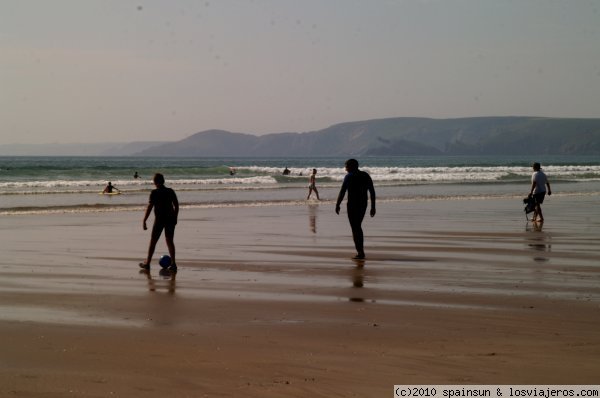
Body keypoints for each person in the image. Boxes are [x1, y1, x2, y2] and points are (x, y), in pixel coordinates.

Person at [335, 159, 376, 260]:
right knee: (357, 226)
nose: (345, 169)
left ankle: (360, 252)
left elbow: (342, 192)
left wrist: (337, 204)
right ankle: (360, 251)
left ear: (352, 166)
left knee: (355, 227)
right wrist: (373, 207)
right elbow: (372, 191)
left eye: (347, 167)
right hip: (363, 204)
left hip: (352, 205)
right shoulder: (365, 175)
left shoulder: (349, 176)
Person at [139, 173, 179, 272]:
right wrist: (175, 217)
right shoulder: (170, 191)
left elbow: (149, 207)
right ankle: (173, 264)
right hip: (170, 219)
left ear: (155, 182)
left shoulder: (154, 193)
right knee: (169, 241)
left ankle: (147, 263)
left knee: (153, 241)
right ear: (163, 181)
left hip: (159, 220)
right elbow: (176, 205)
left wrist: (144, 220)